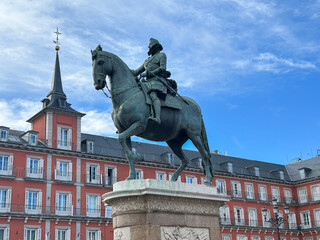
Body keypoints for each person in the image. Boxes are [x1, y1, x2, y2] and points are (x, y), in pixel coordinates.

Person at [132, 38, 170, 124]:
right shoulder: (147, 61)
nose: (149, 48)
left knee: (153, 95)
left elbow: (162, 68)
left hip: (158, 81)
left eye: (151, 46)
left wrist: (148, 74)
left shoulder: (162, 55)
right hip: (147, 83)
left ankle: (157, 117)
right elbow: (136, 72)